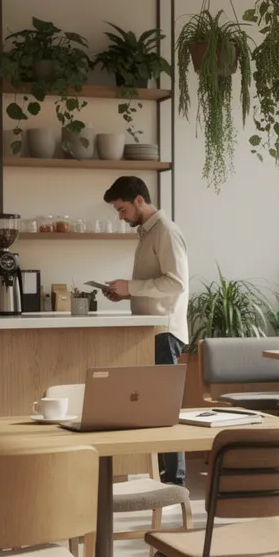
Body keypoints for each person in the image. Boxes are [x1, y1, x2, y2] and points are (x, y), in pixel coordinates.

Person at [101, 176, 189, 487]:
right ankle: (165, 478)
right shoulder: (148, 233)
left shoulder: (166, 231)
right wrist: (126, 294)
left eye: (122, 209)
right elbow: (155, 286)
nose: (120, 216)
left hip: (164, 332)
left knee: (163, 408)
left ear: (139, 200)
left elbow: (176, 283)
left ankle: (175, 483)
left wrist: (132, 287)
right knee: (153, 408)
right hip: (150, 331)